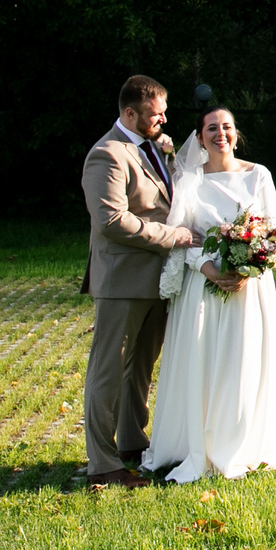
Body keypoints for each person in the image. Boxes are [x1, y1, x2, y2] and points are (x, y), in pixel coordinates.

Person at [144, 105, 276, 482]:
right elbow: (182, 236)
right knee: (202, 361)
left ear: (236, 132)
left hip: (250, 289)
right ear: (199, 138)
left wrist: (248, 267)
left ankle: (241, 441)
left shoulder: (258, 175)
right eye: (211, 128)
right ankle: (193, 442)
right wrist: (209, 268)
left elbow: (272, 230)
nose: (220, 134)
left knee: (241, 361)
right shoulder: (190, 181)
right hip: (202, 286)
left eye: (226, 126)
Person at [79, 74, 198, 490]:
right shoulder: (107, 154)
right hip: (122, 279)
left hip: (159, 280)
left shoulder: (155, 148)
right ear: (129, 112)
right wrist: (174, 237)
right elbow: (111, 220)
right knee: (107, 370)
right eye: (155, 114)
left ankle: (131, 442)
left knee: (140, 368)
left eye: (164, 112)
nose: (163, 120)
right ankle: (102, 463)